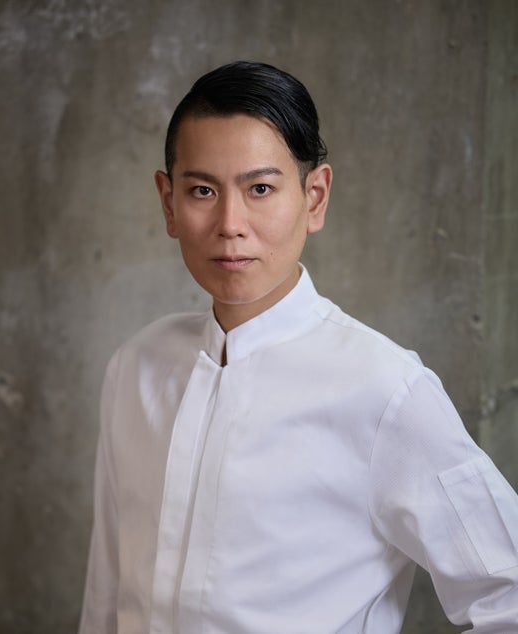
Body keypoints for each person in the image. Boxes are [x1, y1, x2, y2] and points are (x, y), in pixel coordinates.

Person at [79, 61, 518, 633]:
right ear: (168, 202)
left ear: (314, 197)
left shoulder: (384, 389)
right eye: (202, 190)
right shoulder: (136, 368)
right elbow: (107, 592)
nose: (230, 223)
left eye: (260, 189)